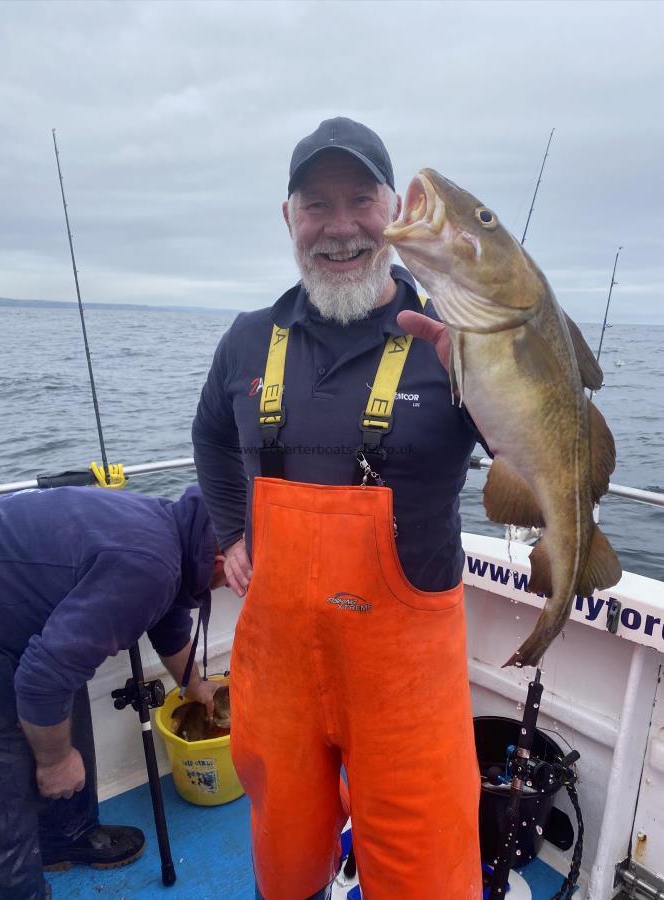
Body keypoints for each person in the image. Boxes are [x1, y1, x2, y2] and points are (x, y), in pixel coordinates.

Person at [192, 117, 486, 899]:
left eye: (360, 200)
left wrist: (493, 377)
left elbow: (528, 462)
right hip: (277, 666)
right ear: (288, 219)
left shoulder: (453, 337)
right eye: (315, 205)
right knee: (285, 867)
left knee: (426, 875)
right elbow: (211, 437)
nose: (340, 227)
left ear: (392, 213)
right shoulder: (247, 340)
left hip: (406, 679)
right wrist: (230, 534)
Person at [0, 484, 224, 900]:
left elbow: (168, 627)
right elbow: (41, 679)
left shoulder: (175, 534)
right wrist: (55, 760)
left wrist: (195, 686)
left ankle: (64, 835)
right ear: (221, 556)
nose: (236, 586)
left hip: (22, 606)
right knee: (4, 766)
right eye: (241, 573)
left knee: (67, 680)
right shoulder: (151, 564)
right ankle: (19, 890)